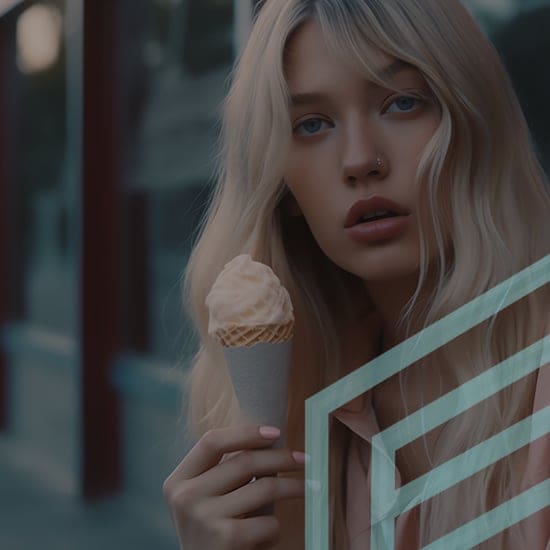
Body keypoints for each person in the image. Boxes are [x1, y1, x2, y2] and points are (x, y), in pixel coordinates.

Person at [162, 1, 550, 548]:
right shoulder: (308, 400)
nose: (361, 160)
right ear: (282, 186)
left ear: (475, 126)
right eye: (312, 124)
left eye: (402, 102)